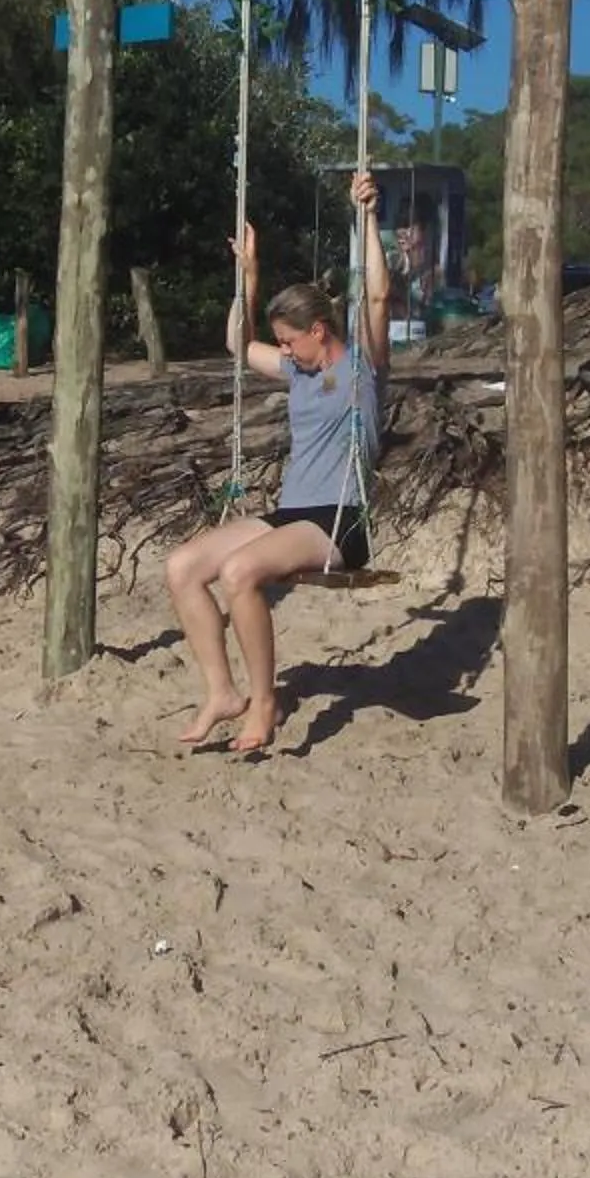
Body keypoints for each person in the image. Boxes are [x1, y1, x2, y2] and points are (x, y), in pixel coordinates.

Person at [162, 169, 393, 754]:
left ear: (319, 330)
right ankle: (222, 692)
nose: (285, 353)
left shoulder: (359, 369)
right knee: (184, 567)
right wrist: (249, 277)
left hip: (339, 521)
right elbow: (236, 343)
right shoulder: (299, 370)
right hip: (292, 515)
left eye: (291, 341)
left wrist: (366, 216)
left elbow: (378, 295)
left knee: (240, 573)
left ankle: (263, 704)